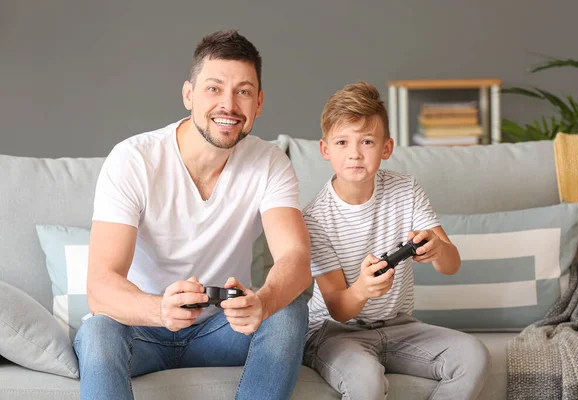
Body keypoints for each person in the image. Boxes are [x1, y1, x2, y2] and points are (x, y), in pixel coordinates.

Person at [74, 30, 312, 400]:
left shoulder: (270, 163)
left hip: (221, 330)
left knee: (288, 311)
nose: (229, 105)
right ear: (189, 94)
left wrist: (262, 302)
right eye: (214, 88)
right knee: (98, 331)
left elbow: (296, 260)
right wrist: (159, 310)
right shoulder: (134, 159)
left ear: (259, 102)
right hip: (142, 331)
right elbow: (100, 287)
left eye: (243, 91)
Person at [302, 82, 491, 400]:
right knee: (365, 381)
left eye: (367, 141)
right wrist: (362, 289)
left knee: (474, 356)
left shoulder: (407, 190)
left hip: (400, 326)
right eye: (343, 142)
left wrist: (437, 247)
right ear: (325, 150)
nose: (355, 154)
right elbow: (338, 309)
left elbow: (451, 265)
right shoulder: (315, 218)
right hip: (333, 332)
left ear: (386, 148)